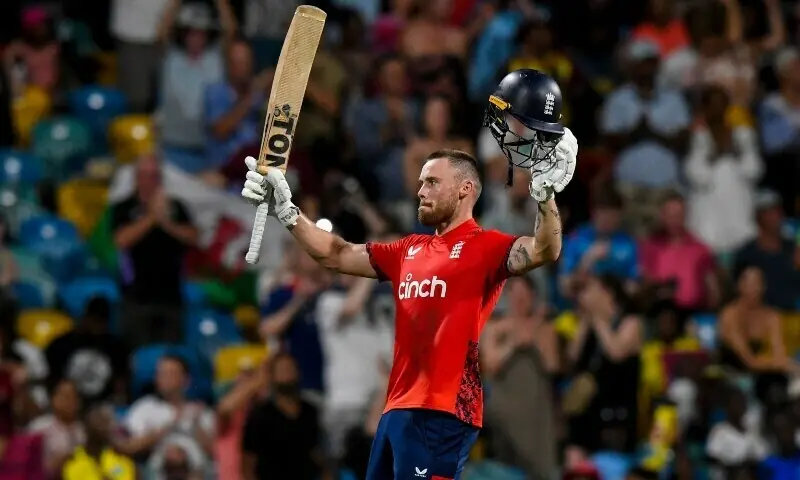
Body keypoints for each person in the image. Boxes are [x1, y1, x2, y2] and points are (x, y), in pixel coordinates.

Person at [241, 68, 578, 480]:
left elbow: (545, 248)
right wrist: (287, 211)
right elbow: (337, 255)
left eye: (432, 182)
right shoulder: (408, 250)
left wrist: (545, 196)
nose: (420, 191)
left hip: (444, 410)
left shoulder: (486, 246)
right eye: (420, 182)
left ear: (465, 190)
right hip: (397, 408)